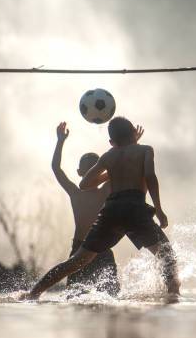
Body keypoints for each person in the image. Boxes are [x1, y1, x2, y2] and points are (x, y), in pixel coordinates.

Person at [19, 117, 180, 300]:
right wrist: (158, 208)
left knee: (74, 262)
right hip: (134, 208)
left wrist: (110, 169)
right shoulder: (145, 150)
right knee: (167, 257)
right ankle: (173, 297)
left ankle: (32, 293)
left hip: (111, 210)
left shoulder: (108, 156)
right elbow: (150, 176)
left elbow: (85, 182)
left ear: (112, 142)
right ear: (134, 134)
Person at [50, 122, 140, 297]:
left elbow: (123, 168)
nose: (93, 172)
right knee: (73, 296)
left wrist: (132, 144)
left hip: (101, 247)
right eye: (88, 169)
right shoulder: (74, 192)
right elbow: (56, 168)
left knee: (111, 294)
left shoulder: (105, 190)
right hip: (79, 248)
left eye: (96, 168)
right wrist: (60, 141)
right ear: (80, 172)